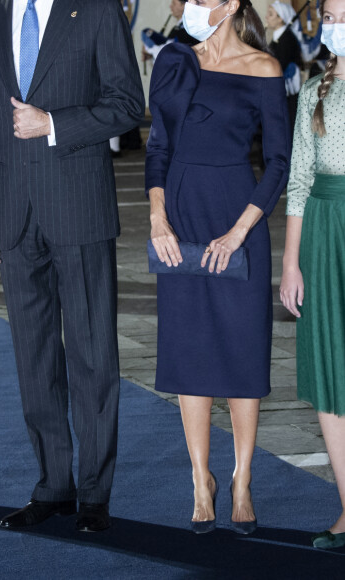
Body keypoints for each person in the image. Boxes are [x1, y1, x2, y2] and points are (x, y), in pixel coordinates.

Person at [0, 0, 144, 532]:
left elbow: (128, 102)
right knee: (33, 357)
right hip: (10, 216)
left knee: (92, 356)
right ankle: (53, 485)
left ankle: (93, 495)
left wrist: (54, 124)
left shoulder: (96, 11)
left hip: (79, 207)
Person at [146, 0, 290, 534]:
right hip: (180, 214)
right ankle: (199, 480)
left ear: (230, 5)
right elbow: (158, 144)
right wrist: (158, 219)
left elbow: (278, 160)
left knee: (241, 349)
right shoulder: (174, 59)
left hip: (238, 217)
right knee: (189, 348)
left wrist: (239, 231)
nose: (188, 7)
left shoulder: (263, 68)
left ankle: (242, 480)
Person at [280, 0, 345, 551]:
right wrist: (290, 262)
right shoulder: (312, 92)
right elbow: (298, 180)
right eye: (329, 16)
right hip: (324, 232)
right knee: (329, 364)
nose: (334, 27)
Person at [266, 1, 303, 128]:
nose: (266, 17)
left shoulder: (287, 39)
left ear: (280, 18)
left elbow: (279, 65)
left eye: (270, 14)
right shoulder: (278, 37)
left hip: (287, 91)